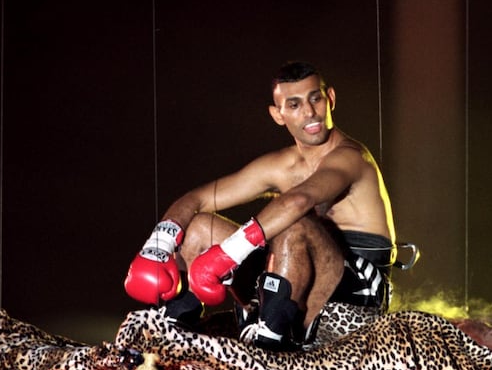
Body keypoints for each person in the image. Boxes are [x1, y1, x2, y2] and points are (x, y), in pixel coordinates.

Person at [124, 61, 396, 350]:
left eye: (315, 98)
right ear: (277, 115)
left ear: (330, 99)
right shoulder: (282, 165)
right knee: (201, 226)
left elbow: (299, 201)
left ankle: (271, 343)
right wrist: (159, 243)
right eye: (294, 105)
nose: (309, 112)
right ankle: (176, 331)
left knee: (296, 219)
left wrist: (228, 254)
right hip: (296, 278)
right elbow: (198, 198)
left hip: (356, 299)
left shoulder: (351, 157)